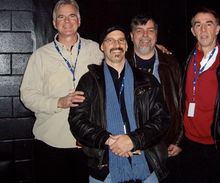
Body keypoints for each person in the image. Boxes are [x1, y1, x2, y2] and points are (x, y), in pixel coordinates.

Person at [68, 25, 170, 183]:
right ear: (102, 46)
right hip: (104, 169)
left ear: (127, 45)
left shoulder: (147, 80)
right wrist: (109, 140)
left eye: (121, 40)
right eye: (110, 40)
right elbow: (77, 121)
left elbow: (162, 119)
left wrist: (133, 140)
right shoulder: (89, 81)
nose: (116, 45)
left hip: (146, 165)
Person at [20, 0, 103, 182]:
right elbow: (27, 95)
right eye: (61, 17)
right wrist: (58, 102)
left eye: (72, 16)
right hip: (50, 143)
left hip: (87, 143)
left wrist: (156, 50)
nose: (67, 21)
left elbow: (120, 59)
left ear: (79, 20)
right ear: (54, 22)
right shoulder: (40, 56)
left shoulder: (97, 50)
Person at [179, 7, 220, 183]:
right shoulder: (187, 59)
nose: (203, 30)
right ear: (192, 31)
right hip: (190, 144)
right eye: (198, 25)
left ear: (217, 29)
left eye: (209, 24)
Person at [127, 14, 182, 182]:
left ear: (156, 35)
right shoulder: (121, 63)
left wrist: (179, 139)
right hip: (131, 144)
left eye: (150, 30)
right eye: (139, 31)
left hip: (164, 145)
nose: (145, 35)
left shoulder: (171, 63)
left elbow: (181, 102)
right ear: (131, 36)